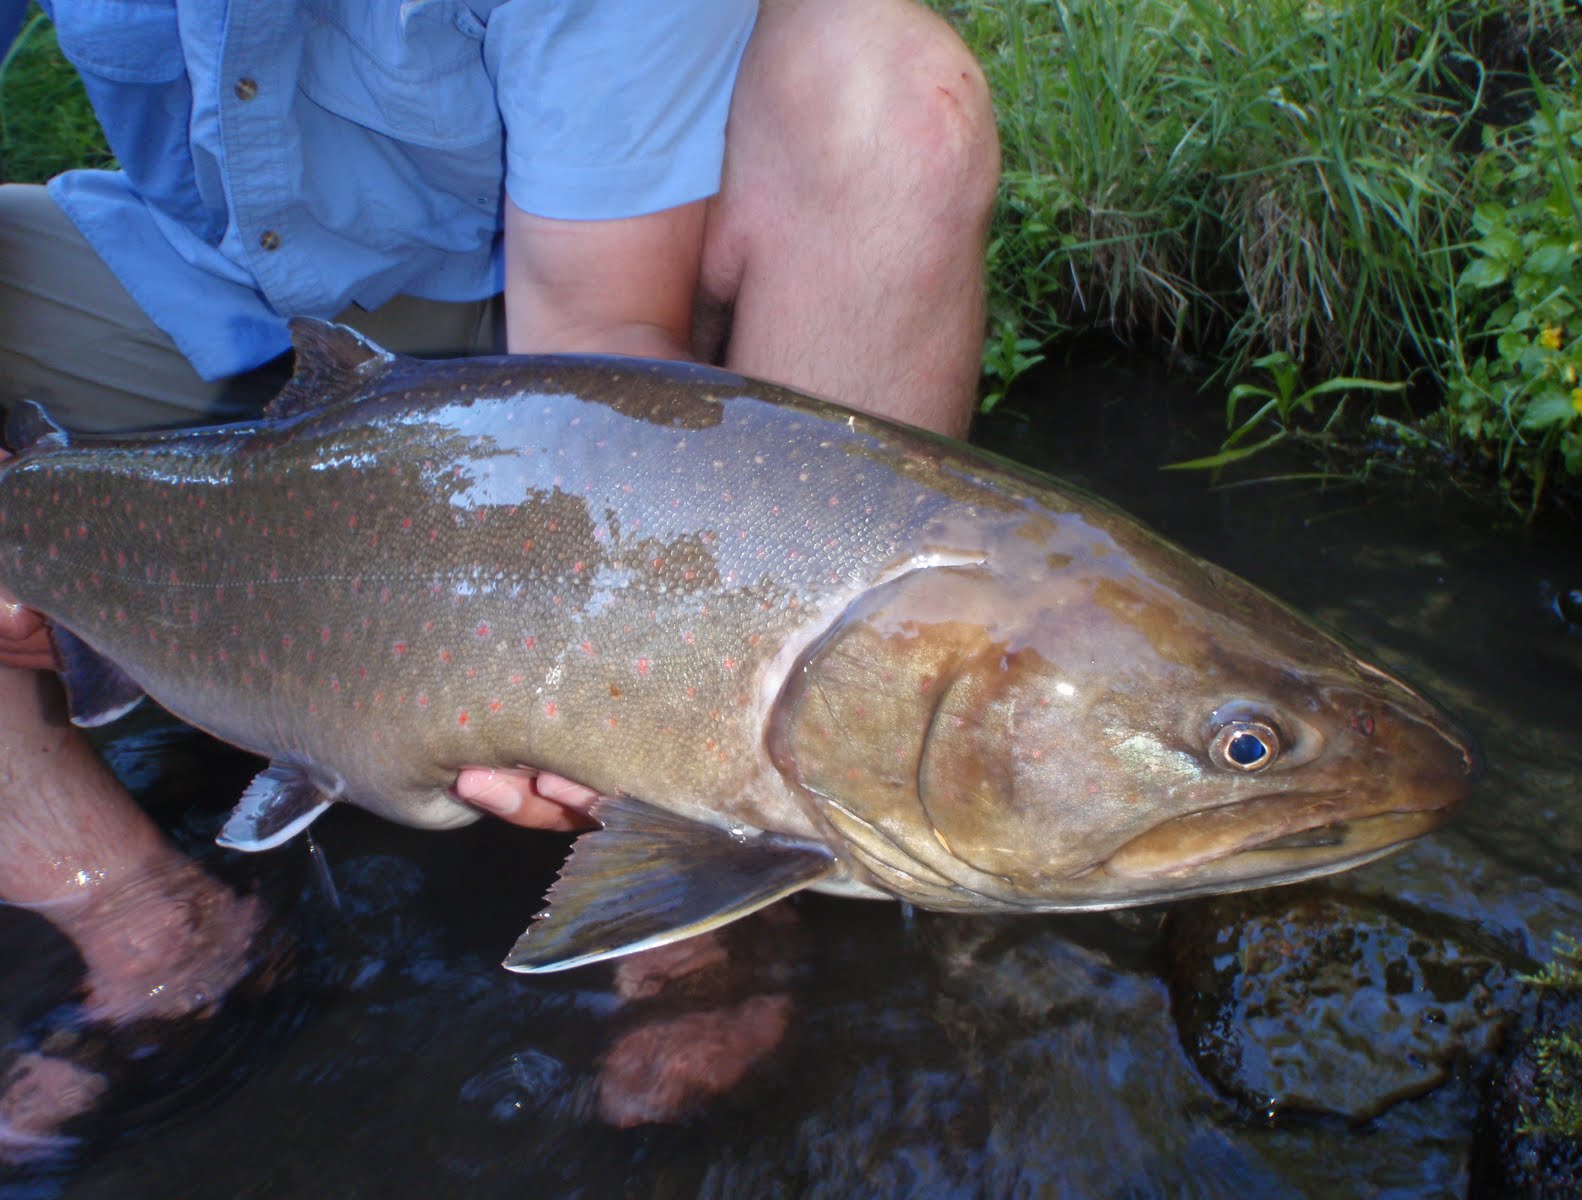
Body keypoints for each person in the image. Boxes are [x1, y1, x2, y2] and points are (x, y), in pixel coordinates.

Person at [0, 0, 998, 1150]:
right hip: (202, 293)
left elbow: (598, 332)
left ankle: (709, 864)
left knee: (888, 94)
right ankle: (135, 910)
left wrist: (604, 685)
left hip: (577, 303)